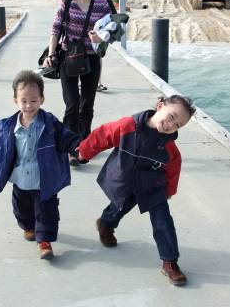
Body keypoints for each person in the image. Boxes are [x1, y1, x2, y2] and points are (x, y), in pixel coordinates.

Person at [77, 95, 196, 286]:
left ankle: (170, 261)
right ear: (160, 106)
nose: (171, 125)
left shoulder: (169, 148)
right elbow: (104, 134)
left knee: (163, 220)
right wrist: (84, 151)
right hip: (126, 178)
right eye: (172, 116)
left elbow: (174, 168)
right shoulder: (128, 126)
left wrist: (169, 190)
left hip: (152, 185)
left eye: (178, 125)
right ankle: (105, 224)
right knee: (119, 206)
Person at [0, 70, 82, 260]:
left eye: (33, 100)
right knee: (22, 208)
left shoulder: (50, 124)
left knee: (47, 211)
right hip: (20, 178)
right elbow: (0, 153)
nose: (29, 105)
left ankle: (45, 242)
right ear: (15, 100)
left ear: (42, 99)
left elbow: (66, 137)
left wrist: (79, 146)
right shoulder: (9, 127)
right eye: (24, 100)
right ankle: (28, 226)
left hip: (43, 178)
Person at [43, 0, 113, 166]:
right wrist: (50, 54)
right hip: (69, 56)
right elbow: (56, 29)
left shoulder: (102, 2)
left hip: (91, 57)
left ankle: (85, 144)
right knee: (72, 104)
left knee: (87, 104)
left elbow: (113, 30)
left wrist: (101, 38)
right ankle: (71, 147)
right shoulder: (67, 1)